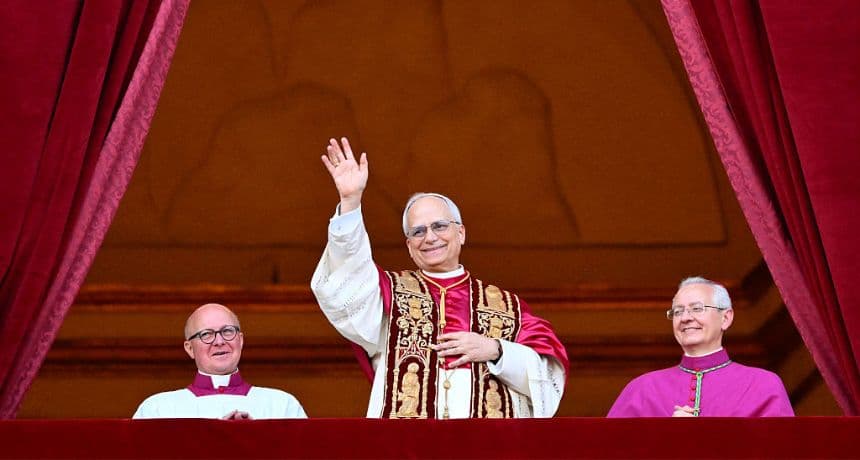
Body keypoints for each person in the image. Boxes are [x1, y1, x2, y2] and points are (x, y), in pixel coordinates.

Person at [311, 137, 568, 419]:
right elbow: (347, 275)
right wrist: (350, 202)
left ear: (461, 233)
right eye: (417, 232)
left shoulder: (507, 307)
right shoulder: (386, 296)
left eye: (440, 226)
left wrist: (496, 350)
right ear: (409, 246)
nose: (430, 237)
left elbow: (548, 376)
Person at [607, 277, 794, 417]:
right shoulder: (642, 389)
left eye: (697, 309)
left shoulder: (763, 385)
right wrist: (663, 436)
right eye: (678, 311)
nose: (686, 317)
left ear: (726, 318)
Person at [133, 303, 307, 419]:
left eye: (227, 331)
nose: (219, 341)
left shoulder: (282, 406)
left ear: (241, 340)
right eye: (206, 334)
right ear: (189, 348)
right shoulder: (157, 411)